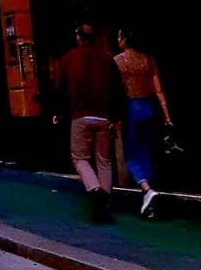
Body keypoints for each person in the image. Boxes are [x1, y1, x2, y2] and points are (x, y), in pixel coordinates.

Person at [55, 23, 124, 223]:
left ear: (78, 37)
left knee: (80, 158)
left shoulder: (68, 58)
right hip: (104, 116)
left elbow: (61, 88)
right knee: (104, 160)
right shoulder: (108, 58)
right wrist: (117, 117)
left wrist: (59, 112)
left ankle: (95, 191)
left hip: (80, 115)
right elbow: (118, 90)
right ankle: (105, 200)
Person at [114, 29, 170, 218]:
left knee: (131, 155)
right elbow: (159, 89)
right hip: (150, 107)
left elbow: (117, 91)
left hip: (131, 108)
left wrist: (115, 116)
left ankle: (146, 190)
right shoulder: (148, 60)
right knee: (145, 151)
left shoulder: (119, 62)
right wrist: (166, 115)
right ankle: (149, 199)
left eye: (119, 36)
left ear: (123, 40)